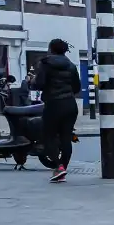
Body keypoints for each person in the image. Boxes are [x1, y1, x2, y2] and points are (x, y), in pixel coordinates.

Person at [31, 39, 81, 182]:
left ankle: (58, 167)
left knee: (49, 137)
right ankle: (62, 169)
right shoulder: (71, 66)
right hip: (70, 105)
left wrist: (33, 82)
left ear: (51, 49)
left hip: (53, 104)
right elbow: (77, 87)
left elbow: (39, 84)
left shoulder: (46, 64)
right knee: (66, 138)